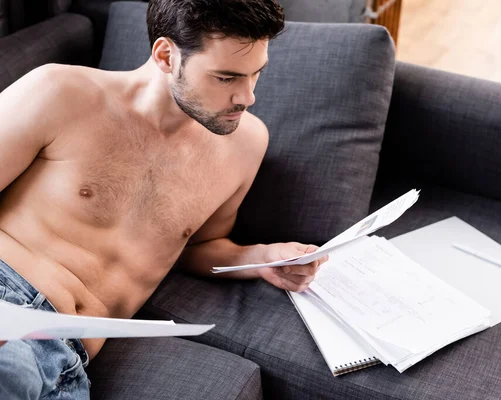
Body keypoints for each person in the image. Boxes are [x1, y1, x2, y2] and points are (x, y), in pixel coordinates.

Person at [0, 0, 328, 398]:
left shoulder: (246, 143)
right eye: (226, 78)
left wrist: (262, 258)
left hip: (70, 364)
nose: (247, 96)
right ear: (166, 55)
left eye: (256, 73)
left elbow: (200, 246)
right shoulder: (60, 92)